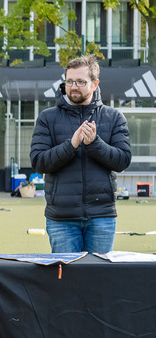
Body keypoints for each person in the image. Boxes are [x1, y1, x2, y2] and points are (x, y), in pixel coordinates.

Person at [30, 54, 131, 254]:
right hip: (61, 218)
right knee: (65, 281)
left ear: (95, 84)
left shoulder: (114, 117)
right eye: (69, 81)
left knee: (98, 280)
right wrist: (71, 145)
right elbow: (38, 162)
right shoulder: (47, 118)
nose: (73, 86)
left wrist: (94, 144)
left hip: (102, 216)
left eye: (80, 82)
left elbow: (122, 160)